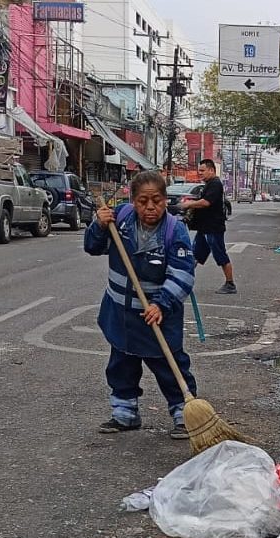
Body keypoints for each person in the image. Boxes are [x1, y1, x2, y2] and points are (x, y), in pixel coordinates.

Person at [84, 170, 197, 440]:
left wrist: (161, 304)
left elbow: (183, 274)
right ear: (133, 200)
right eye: (143, 201)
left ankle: (185, 412)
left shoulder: (174, 230)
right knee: (121, 363)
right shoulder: (119, 220)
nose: (150, 207)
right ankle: (125, 413)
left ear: (165, 201)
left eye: (156, 201)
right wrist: (98, 226)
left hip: (156, 315)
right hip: (121, 313)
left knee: (169, 366)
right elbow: (92, 247)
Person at [183, 158, 236, 294]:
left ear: (211, 170)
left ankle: (230, 284)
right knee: (194, 255)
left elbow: (206, 202)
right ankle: (182, 280)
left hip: (213, 228)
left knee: (220, 256)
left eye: (202, 170)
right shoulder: (208, 185)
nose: (200, 173)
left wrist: (189, 204)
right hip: (204, 228)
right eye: (199, 171)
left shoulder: (215, 184)